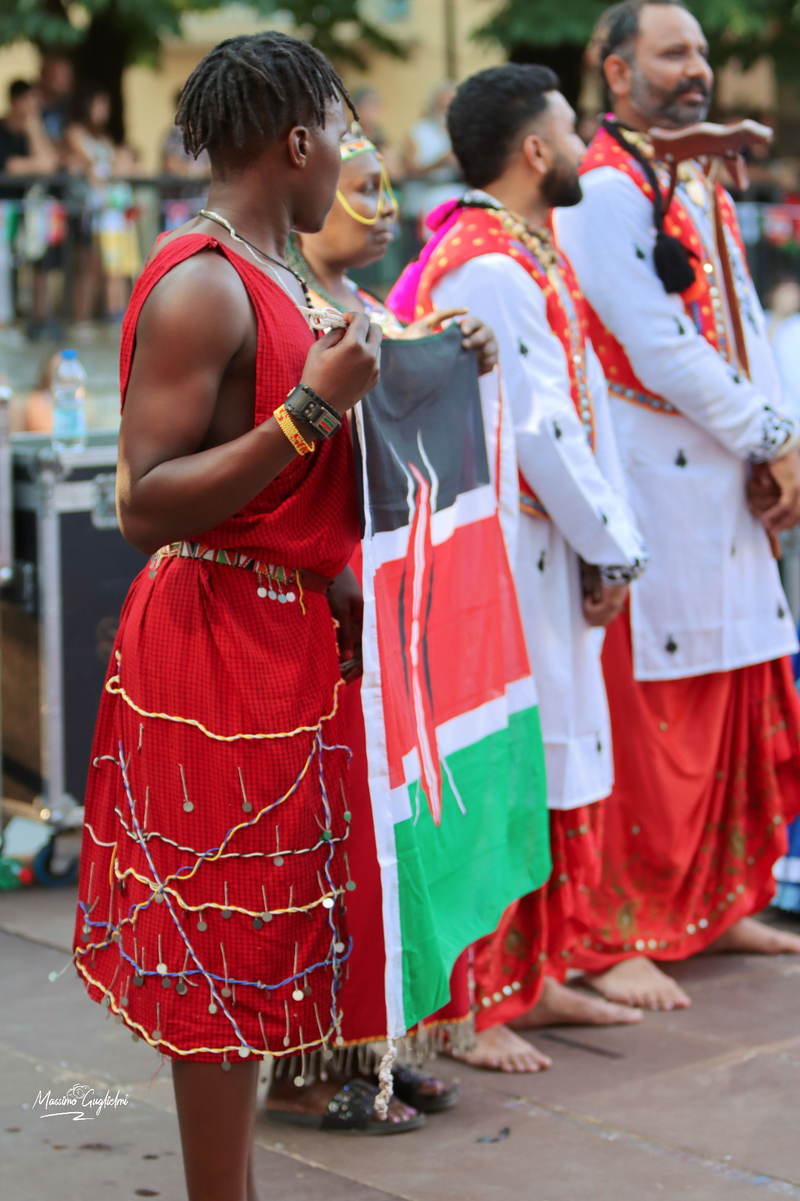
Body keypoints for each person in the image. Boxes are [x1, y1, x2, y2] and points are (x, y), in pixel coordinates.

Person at [70, 30, 426, 1201]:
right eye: (344, 130)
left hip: (288, 633)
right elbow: (143, 503)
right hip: (212, 638)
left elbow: (295, 489)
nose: (353, 157)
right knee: (221, 942)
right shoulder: (203, 281)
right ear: (297, 140)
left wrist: (333, 575)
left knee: (275, 926)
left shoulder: (294, 277)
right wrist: (309, 415)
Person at [389, 63, 649, 1072]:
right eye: (572, 129)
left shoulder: (514, 250)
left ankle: (532, 977)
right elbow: (538, 426)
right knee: (509, 769)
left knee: (552, 763)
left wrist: (604, 537)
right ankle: (484, 999)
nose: (585, 144)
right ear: (533, 150)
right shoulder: (488, 264)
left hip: (545, 549)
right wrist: (612, 542)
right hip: (510, 561)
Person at [556, 0, 800, 1011]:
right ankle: (615, 932)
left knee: (734, 689)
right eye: (671, 52)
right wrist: (772, 438)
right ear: (615, 74)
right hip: (653, 479)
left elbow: (742, 317)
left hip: (726, 477)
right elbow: (653, 343)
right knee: (648, 714)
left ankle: (716, 901)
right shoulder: (599, 188)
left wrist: (779, 438)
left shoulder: (692, 176)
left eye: (699, 51)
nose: (694, 69)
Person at [288, 125, 501, 1110]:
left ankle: (373, 1035)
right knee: (326, 847)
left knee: (390, 842)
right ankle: (319, 1057)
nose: (380, 208)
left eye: (385, 190)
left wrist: (470, 357)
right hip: (310, 620)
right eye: (360, 188)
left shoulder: (374, 308)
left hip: (392, 627)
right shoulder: (284, 306)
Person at [65, 87, 143, 323]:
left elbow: (104, 166)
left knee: (105, 267)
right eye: (99, 105)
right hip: (86, 208)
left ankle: (99, 315)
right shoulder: (75, 132)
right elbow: (94, 165)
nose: (103, 111)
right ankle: (81, 319)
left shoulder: (105, 137)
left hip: (107, 208)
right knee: (86, 265)